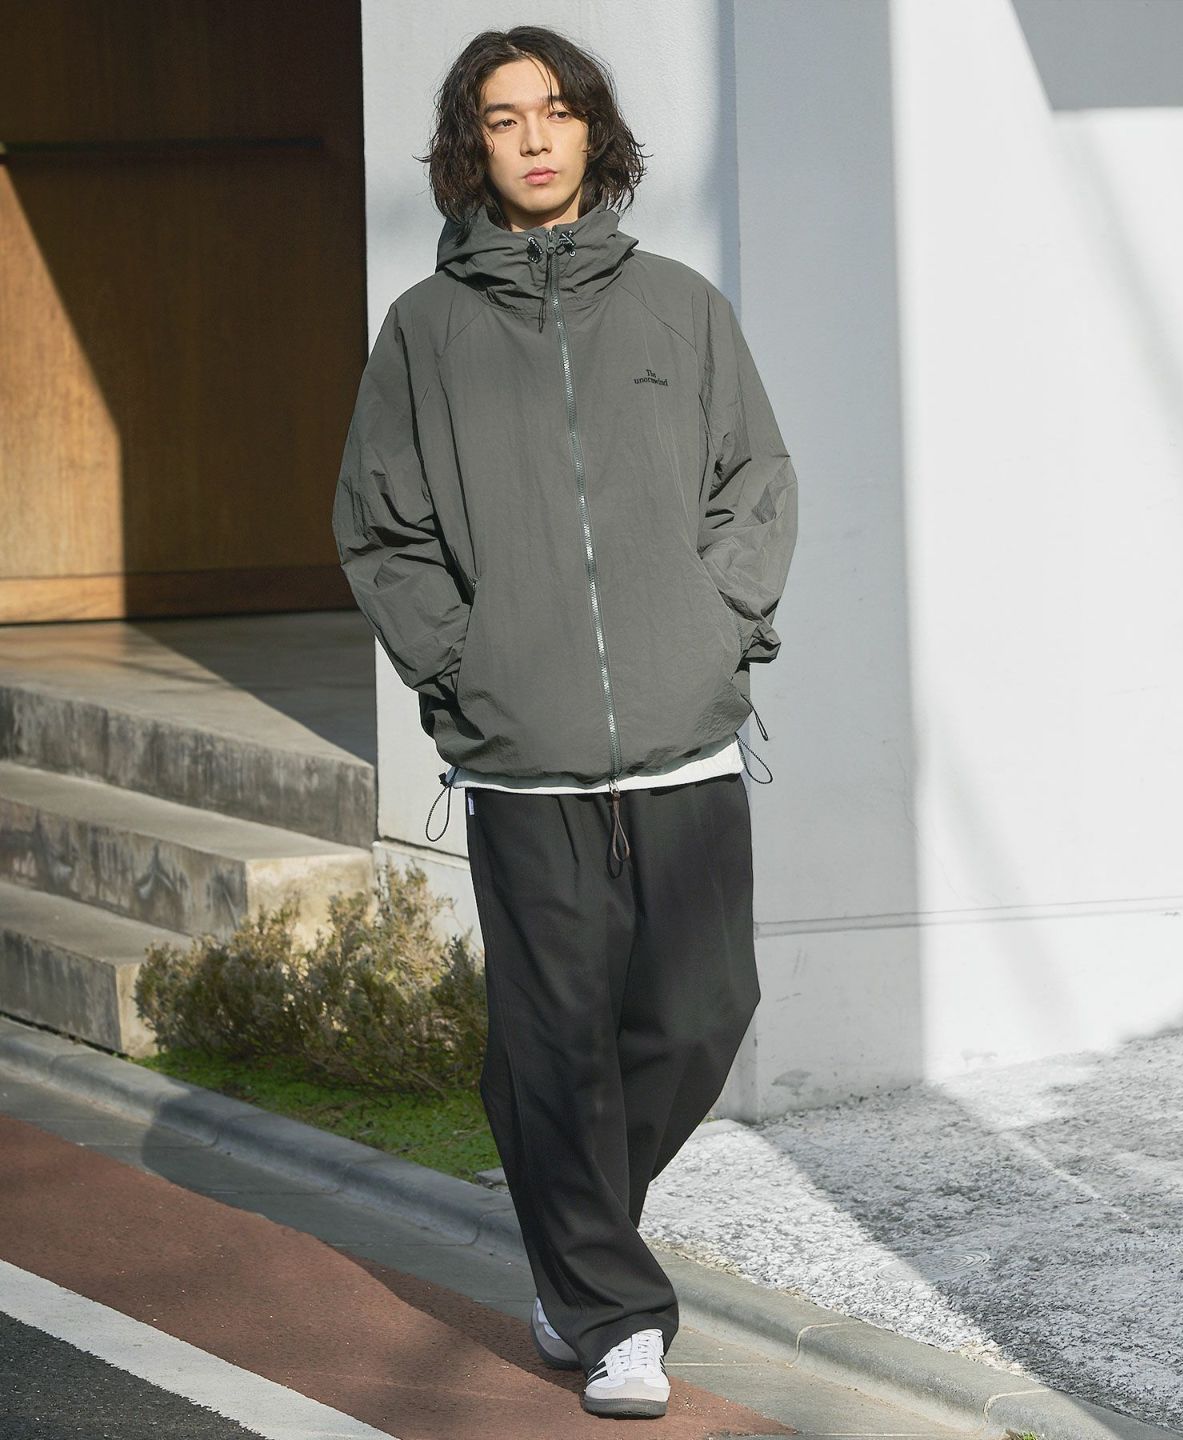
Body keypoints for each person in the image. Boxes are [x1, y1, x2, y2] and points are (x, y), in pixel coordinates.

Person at [332, 25, 798, 1422]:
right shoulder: (426, 331)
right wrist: (462, 670)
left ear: (594, 130)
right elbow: (384, 528)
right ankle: (612, 1312)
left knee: (704, 1012)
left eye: (556, 111)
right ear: (469, 145)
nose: (533, 137)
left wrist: (719, 628)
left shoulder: (680, 308)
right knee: (556, 1035)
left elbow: (755, 485)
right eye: (502, 117)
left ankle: (564, 1217)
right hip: (523, 755)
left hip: (686, 736)